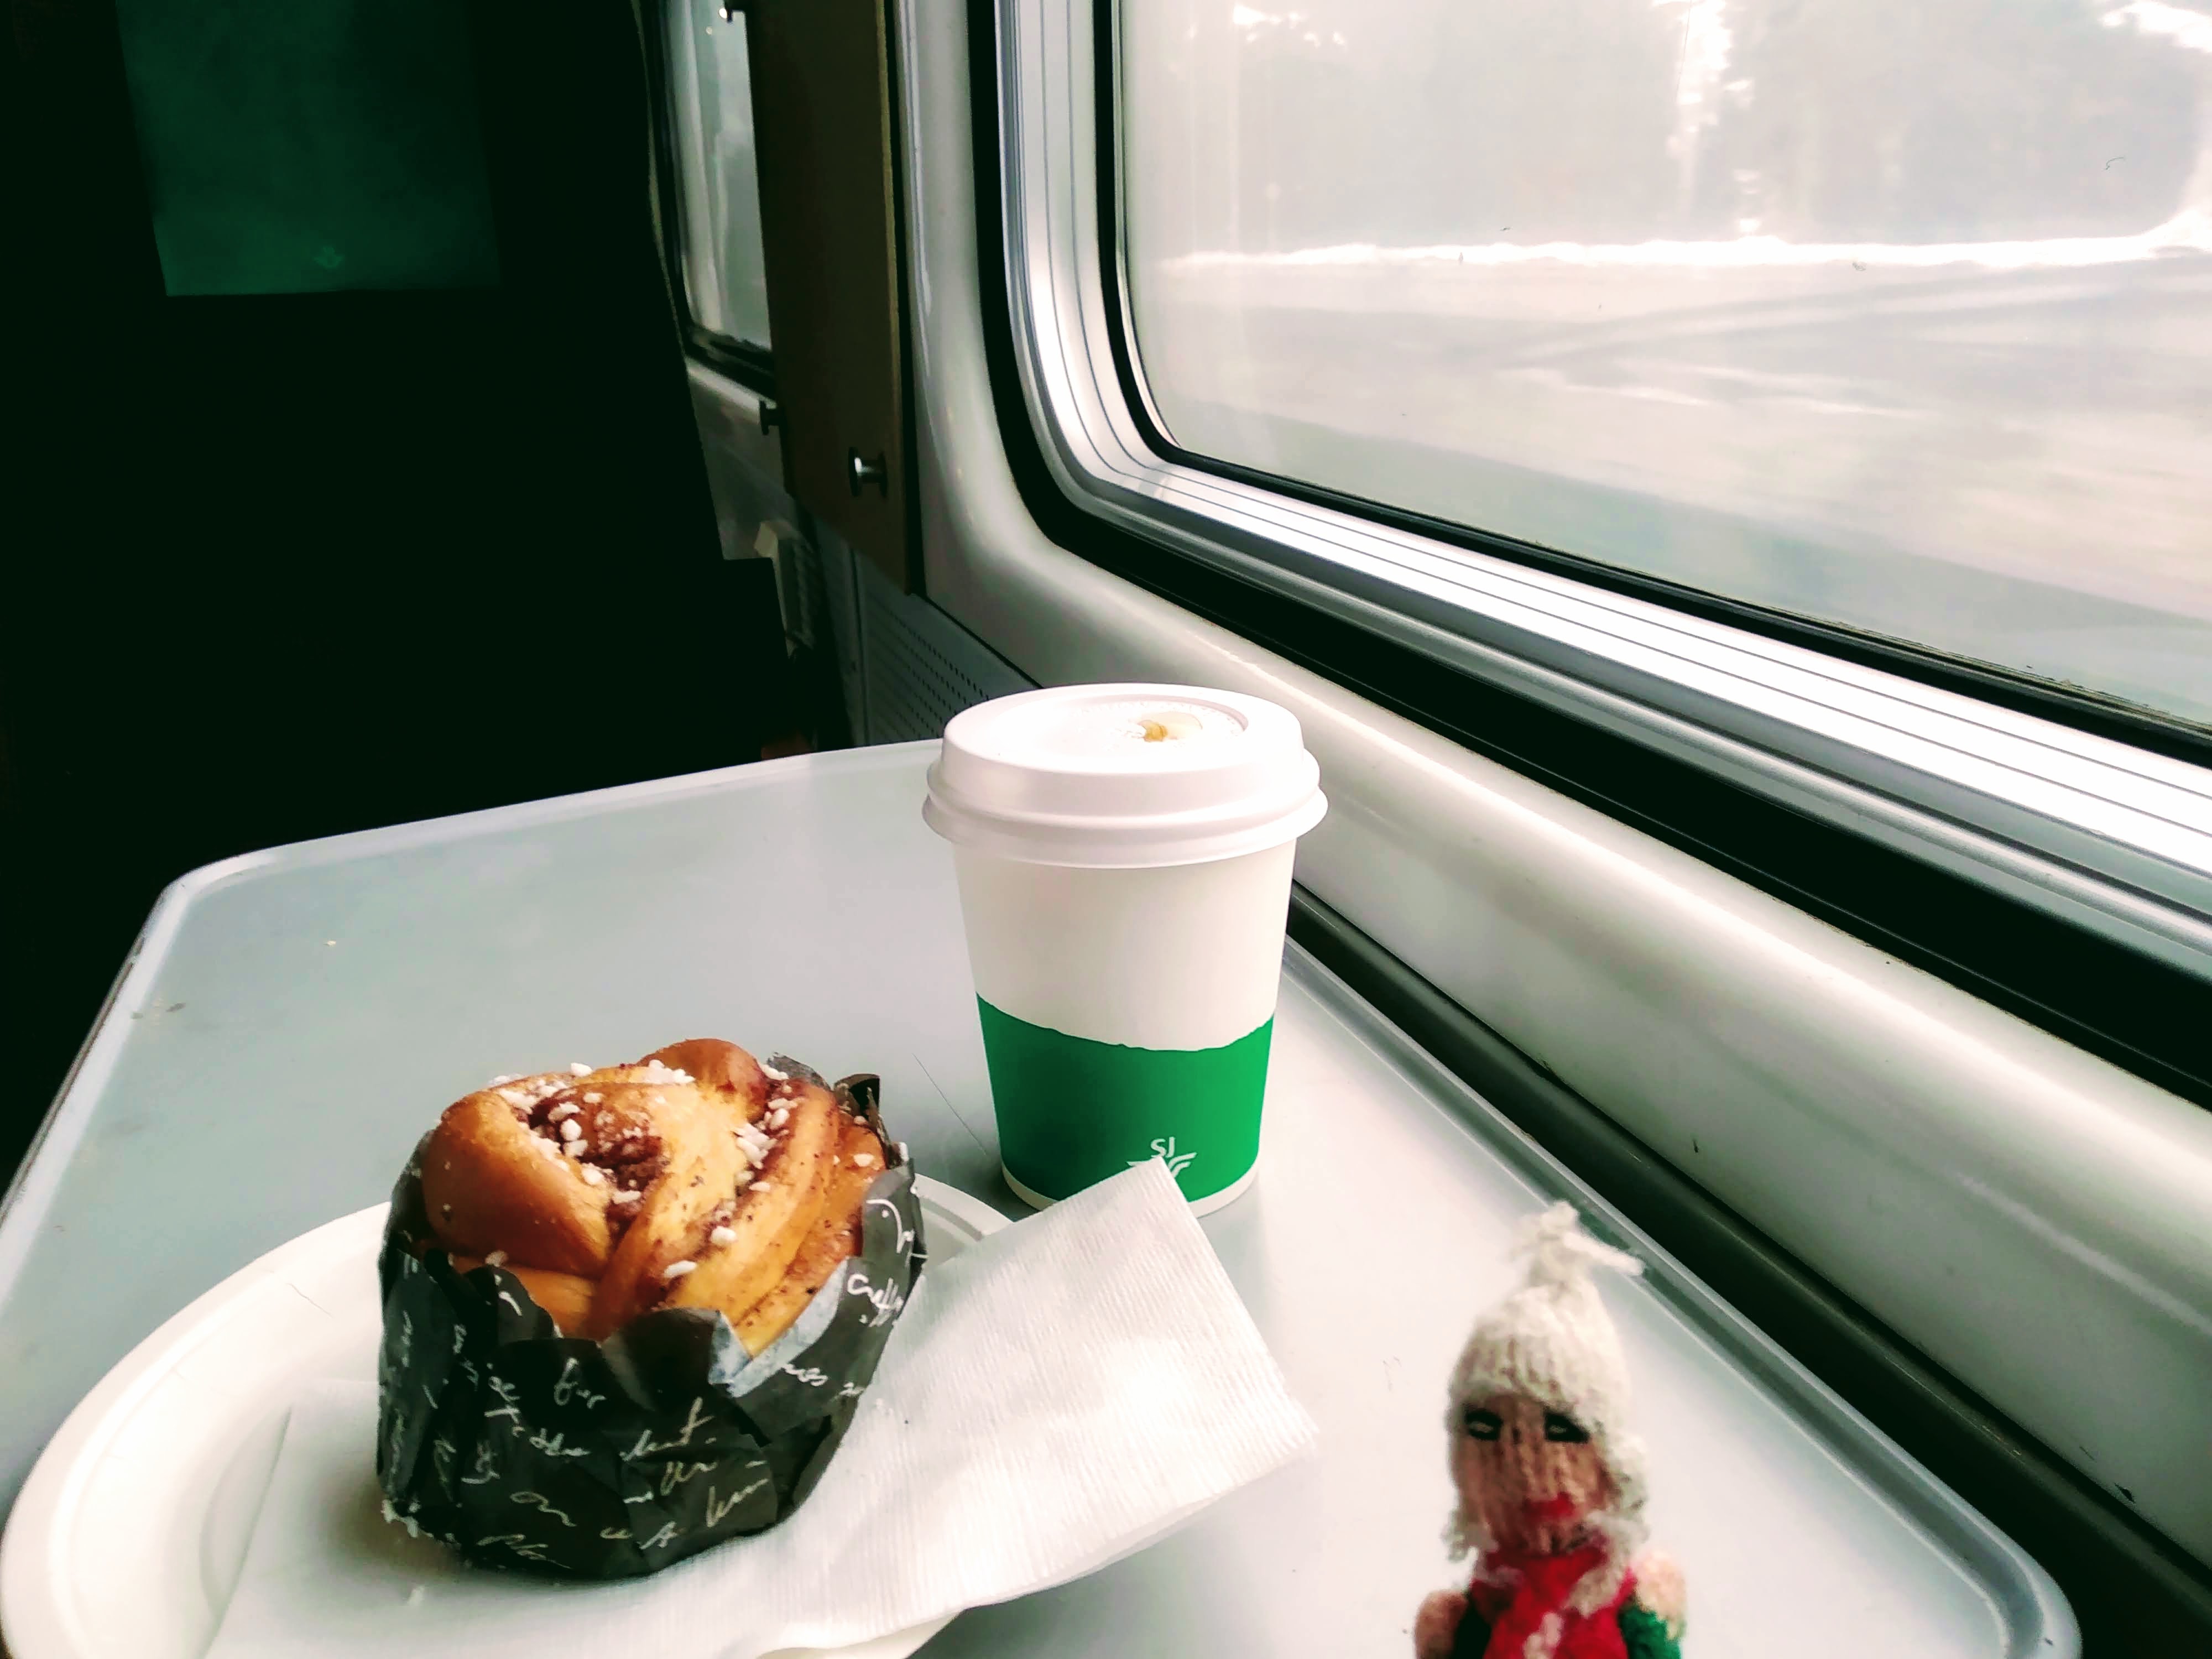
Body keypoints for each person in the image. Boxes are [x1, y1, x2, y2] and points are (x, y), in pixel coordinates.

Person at [1414, 1203, 1688, 1659]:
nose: (1524, 1461)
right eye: (1485, 1428)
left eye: (1561, 1429)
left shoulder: (1622, 1602)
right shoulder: (1477, 1610)